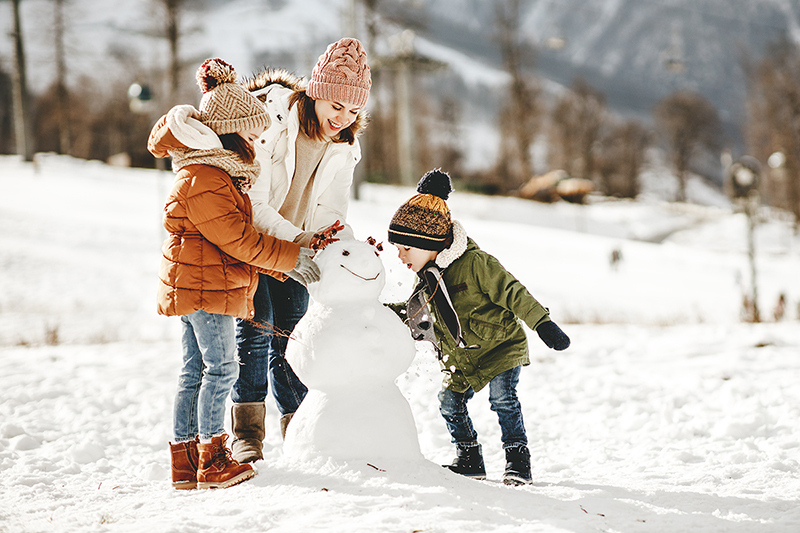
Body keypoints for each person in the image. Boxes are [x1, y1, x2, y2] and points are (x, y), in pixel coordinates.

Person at [148, 58, 320, 490]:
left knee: (195, 371)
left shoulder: (214, 173)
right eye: (250, 134)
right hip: (206, 288)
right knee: (222, 368)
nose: (256, 143)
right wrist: (290, 257)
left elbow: (235, 240)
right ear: (228, 131)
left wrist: (277, 262)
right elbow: (238, 238)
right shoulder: (206, 177)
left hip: (202, 284)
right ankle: (213, 458)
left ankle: (186, 465)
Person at [229, 37, 372, 463]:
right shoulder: (272, 120)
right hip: (252, 241)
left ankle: (300, 426)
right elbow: (253, 200)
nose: (342, 118)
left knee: (293, 336)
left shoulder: (345, 145)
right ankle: (247, 432)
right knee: (257, 330)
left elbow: (332, 210)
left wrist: (348, 249)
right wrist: (296, 241)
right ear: (317, 93)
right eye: (336, 106)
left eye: (353, 110)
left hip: (297, 249)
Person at [386, 169, 571, 486]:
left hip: (500, 347)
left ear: (429, 242)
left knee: (502, 400)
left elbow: (513, 292)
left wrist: (543, 324)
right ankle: (469, 458)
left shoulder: (475, 264)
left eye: (406, 247)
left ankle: (517, 462)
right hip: (464, 358)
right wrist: (377, 315)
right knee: (449, 402)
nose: (399, 254)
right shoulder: (427, 277)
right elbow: (416, 315)